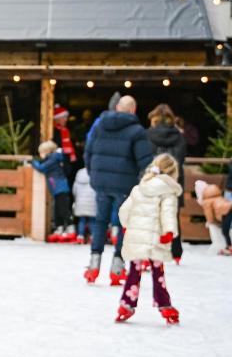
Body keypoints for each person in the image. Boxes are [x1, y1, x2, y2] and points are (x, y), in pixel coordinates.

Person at [84, 95, 153, 285]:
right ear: (133, 110)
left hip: (101, 182)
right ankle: (117, 265)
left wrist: (93, 174)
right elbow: (145, 161)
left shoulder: (99, 125)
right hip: (125, 184)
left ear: (117, 107)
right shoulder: (137, 131)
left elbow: (88, 152)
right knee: (124, 223)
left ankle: (93, 264)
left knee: (100, 221)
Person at [115, 154, 183, 325]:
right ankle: (164, 304)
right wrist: (169, 232)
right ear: (173, 173)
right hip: (156, 238)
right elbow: (168, 213)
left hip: (136, 236)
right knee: (157, 273)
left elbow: (124, 210)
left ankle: (126, 304)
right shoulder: (168, 192)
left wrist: (126, 226)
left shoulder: (140, 188)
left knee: (134, 271)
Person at [145, 104, 187, 263]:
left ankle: (152, 251)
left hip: (154, 179)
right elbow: (180, 158)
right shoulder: (179, 136)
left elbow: (146, 157)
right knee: (172, 216)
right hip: (173, 181)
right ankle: (176, 252)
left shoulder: (147, 135)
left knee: (152, 215)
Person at [33, 141, 75, 242]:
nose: (40, 155)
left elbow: (41, 168)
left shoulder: (53, 159)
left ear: (47, 152)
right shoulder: (52, 158)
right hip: (57, 189)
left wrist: (32, 162)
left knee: (63, 210)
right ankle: (59, 228)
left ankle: (71, 228)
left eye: (41, 153)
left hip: (60, 188)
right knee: (57, 210)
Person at [52, 105, 79, 180]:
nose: (65, 120)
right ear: (57, 118)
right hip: (59, 163)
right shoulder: (53, 131)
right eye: (63, 117)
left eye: (66, 117)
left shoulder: (66, 131)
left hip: (67, 163)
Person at [73, 166, 97, 244]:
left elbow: (74, 189)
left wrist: (76, 198)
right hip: (92, 201)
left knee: (82, 220)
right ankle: (93, 236)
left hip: (80, 202)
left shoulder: (79, 173)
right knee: (92, 220)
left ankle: (80, 236)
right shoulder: (94, 173)